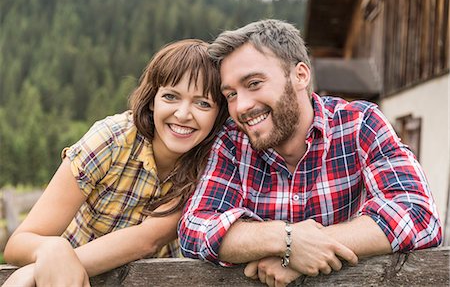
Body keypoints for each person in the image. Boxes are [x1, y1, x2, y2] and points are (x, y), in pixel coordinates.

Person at [178, 19, 442, 287]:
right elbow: (195, 228)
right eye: (231, 94)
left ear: (300, 75)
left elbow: (418, 214)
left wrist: (304, 250)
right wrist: (285, 239)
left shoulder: (360, 123)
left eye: (254, 83)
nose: (242, 106)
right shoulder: (232, 141)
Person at [3, 39, 228, 287]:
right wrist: (52, 251)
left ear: (218, 114)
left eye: (203, 103)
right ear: (153, 100)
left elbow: (147, 239)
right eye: (171, 96)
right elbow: (19, 243)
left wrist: (34, 272)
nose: (184, 114)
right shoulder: (111, 139)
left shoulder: (213, 165)